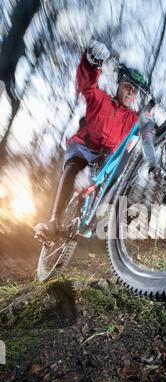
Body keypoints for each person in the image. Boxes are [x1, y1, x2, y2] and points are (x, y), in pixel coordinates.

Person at [35, 40, 149, 239]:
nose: (131, 92)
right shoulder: (101, 99)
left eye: (135, 90)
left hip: (105, 158)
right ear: (120, 84)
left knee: (112, 181)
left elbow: (149, 126)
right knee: (71, 168)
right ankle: (54, 221)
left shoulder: (133, 119)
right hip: (83, 147)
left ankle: (94, 217)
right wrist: (92, 64)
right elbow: (87, 85)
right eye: (128, 86)